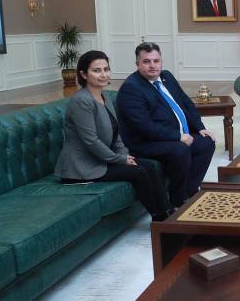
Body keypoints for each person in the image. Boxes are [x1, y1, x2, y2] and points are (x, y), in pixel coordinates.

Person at [54, 50, 171, 221]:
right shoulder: (81, 101)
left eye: (106, 69)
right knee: (138, 172)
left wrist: (124, 154)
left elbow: (116, 133)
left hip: (101, 159)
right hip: (82, 167)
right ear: (84, 74)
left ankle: (167, 213)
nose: (103, 74)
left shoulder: (105, 96)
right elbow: (91, 141)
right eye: (97, 70)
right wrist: (120, 159)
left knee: (149, 166)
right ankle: (160, 218)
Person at [117, 42, 216, 208]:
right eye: (146, 61)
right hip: (145, 143)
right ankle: (177, 202)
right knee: (180, 150)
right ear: (137, 64)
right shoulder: (131, 88)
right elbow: (144, 126)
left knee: (207, 142)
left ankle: (190, 191)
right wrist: (178, 137)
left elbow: (186, 103)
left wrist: (200, 127)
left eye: (156, 61)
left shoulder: (167, 76)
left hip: (172, 136)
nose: (152, 65)